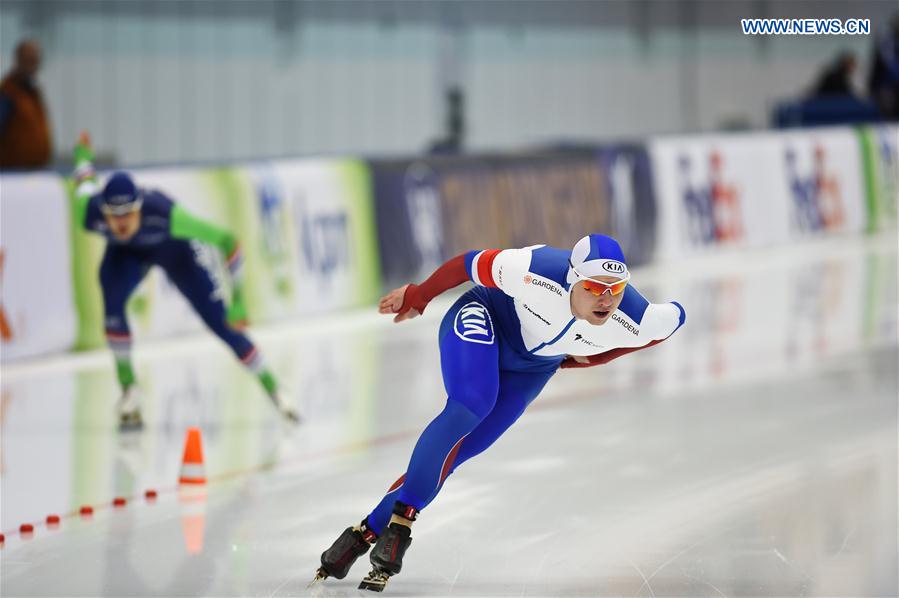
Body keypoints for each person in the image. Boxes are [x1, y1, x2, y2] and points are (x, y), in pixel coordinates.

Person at [312, 235, 686, 591]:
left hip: (533, 367)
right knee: (472, 404)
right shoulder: (532, 270)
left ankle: (364, 534)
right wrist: (418, 296)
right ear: (573, 279)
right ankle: (401, 522)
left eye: (615, 289)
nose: (606, 299)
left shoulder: (638, 318)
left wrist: (585, 359)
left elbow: (668, 323)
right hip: (487, 314)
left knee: (460, 450)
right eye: (592, 287)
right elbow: (467, 263)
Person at [71, 134, 298, 428]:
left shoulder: (166, 215)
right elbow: (84, 181)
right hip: (127, 255)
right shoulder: (88, 213)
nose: (122, 223)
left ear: (139, 207)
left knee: (222, 324)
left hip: (177, 252)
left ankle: (275, 389)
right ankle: (129, 391)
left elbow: (229, 242)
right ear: (103, 211)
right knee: (111, 297)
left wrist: (238, 301)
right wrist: (82, 154)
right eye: (114, 216)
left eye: (128, 213)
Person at [0, 39, 52, 168]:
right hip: (12, 173)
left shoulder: (34, 92)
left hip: (36, 170)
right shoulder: (8, 92)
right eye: (28, 60)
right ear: (18, 60)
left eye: (35, 61)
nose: (32, 65)